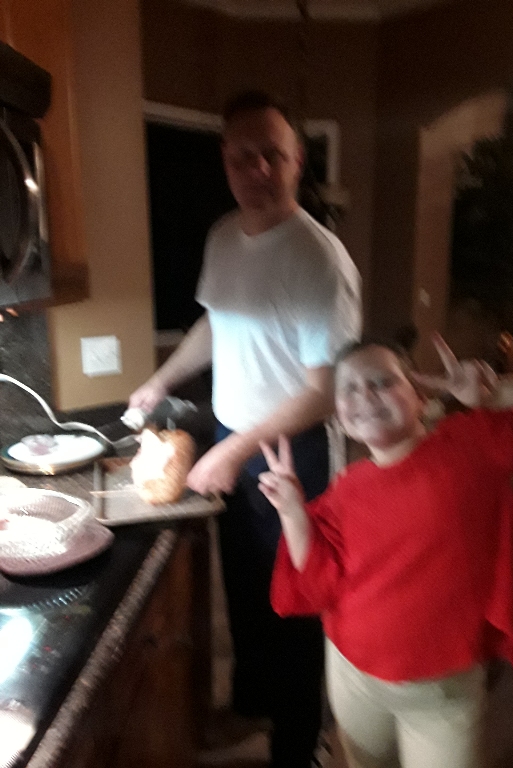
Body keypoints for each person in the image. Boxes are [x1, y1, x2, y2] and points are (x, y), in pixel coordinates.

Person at [129, 90, 362, 767]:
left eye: (272, 155)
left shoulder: (319, 259)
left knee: (295, 603)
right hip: (233, 439)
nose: (257, 169)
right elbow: (215, 322)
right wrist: (161, 380)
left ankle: (299, 745)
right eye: (243, 157)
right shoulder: (224, 235)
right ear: (225, 161)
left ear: (297, 161)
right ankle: (253, 704)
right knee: (248, 592)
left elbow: (324, 391)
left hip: (292, 456)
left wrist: (234, 450)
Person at [258, 336, 513, 768]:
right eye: (349, 389)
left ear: (421, 398)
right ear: (340, 418)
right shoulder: (346, 488)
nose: (365, 395)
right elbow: (316, 585)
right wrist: (293, 513)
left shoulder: (471, 446)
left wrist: (496, 391)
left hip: (441, 694)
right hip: (353, 678)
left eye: (383, 381)